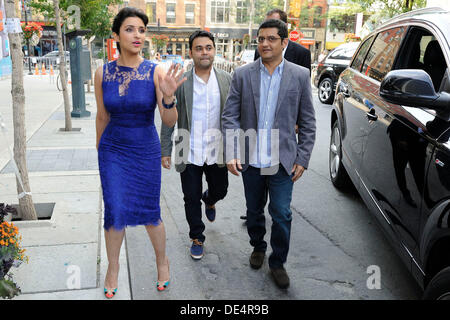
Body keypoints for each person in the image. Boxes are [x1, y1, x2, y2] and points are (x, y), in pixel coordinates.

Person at [95, 7, 186, 298]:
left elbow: (169, 121)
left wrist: (169, 97)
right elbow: (101, 117)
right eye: (130, 29)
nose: (137, 35)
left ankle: (162, 261)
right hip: (112, 150)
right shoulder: (102, 72)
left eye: (142, 30)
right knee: (115, 209)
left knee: (150, 213)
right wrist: (101, 153)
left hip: (144, 149)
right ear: (117, 35)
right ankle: (112, 267)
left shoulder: (155, 71)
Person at [222, 19, 316, 289]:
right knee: (254, 211)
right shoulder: (243, 74)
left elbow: (308, 121)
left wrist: (303, 157)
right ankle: (258, 246)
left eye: (271, 39)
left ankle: (277, 262)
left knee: (282, 213)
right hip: (251, 158)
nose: (264, 43)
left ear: (284, 43)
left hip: (282, 159)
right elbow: (230, 117)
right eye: (261, 39)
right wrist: (231, 151)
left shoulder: (299, 75)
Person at [160, 30, 232, 260]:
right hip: (188, 150)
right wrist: (165, 149)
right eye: (199, 48)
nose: (204, 52)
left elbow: (234, 116)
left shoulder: (226, 80)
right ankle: (197, 237)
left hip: (216, 150)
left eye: (208, 48)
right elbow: (170, 118)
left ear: (214, 51)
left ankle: (209, 199)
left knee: (221, 189)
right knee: (190, 197)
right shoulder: (181, 82)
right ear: (191, 52)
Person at [253, 9, 311, 73]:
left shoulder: (302, 53)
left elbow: (303, 81)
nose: (268, 27)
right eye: (266, 24)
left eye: (274, 24)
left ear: (285, 26)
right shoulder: (260, 51)